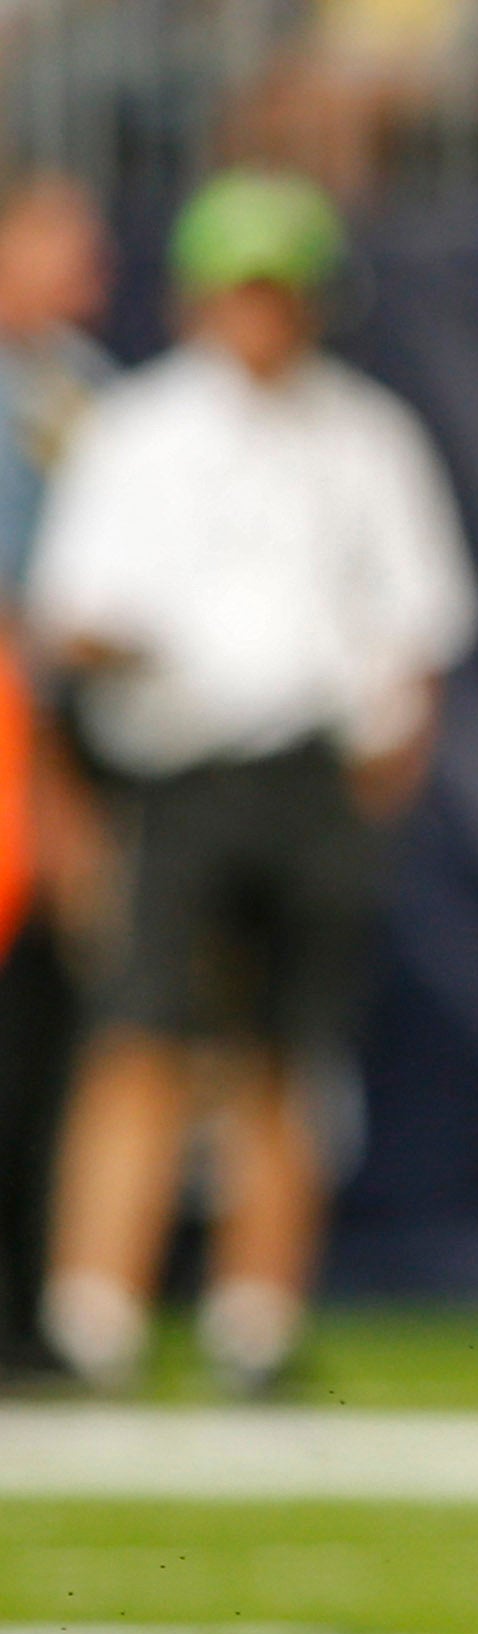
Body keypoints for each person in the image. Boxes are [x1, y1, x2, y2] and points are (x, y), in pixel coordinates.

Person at [28, 170, 478, 1398]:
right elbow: (70, 620)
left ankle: (255, 1325)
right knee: (142, 1036)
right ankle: (94, 1320)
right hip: (177, 774)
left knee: (293, 1048)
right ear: (198, 298)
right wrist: (129, 649)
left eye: (282, 291)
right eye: (241, 290)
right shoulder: (139, 433)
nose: (262, 316)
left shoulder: (368, 435)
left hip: (314, 776)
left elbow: (420, 627)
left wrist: (384, 764)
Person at [0, 173, 113, 1381]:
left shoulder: (80, 387)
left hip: (62, 737)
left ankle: (29, 1305)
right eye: (60, 237)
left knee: (45, 1037)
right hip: (15, 742)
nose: (90, 261)